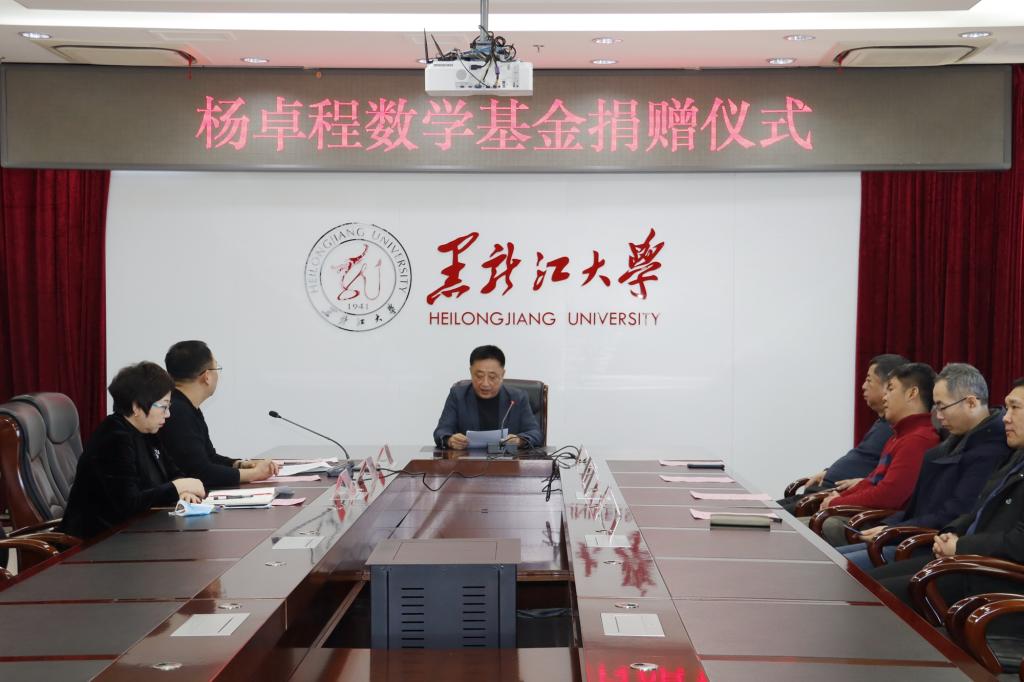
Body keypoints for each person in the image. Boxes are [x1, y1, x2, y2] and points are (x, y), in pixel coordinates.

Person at [869, 377, 1024, 609]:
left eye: (1015, 408)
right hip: (966, 561)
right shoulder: (1016, 457)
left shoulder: (996, 450)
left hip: (992, 579)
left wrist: (961, 546)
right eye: (1007, 407)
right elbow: (977, 511)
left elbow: (1019, 542)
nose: (1006, 417)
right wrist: (950, 533)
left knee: (877, 597)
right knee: (867, 583)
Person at [835, 364, 1009, 563]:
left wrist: (893, 530)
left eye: (942, 407)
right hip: (912, 535)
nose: (939, 416)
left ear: (970, 403)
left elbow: (952, 515)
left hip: (930, 546)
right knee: (834, 558)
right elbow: (917, 508)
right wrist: (889, 525)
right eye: (936, 407)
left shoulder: (991, 451)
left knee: (842, 565)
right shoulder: (953, 440)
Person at [60, 362, 206, 539]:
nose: (168, 414)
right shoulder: (113, 438)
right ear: (136, 407)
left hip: (135, 535)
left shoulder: (147, 432)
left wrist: (184, 491)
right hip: (98, 542)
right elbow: (128, 504)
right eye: (163, 406)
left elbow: (173, 473)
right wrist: (179, 487)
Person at [798, 362, 939, 532]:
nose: (884, 397)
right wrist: (838, 497)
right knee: (791, 525)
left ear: (912, 393)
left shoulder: (918, 440)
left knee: (798, 530)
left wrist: (837, 502)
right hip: (862, 514)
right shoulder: (899, 435)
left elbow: (889, 495)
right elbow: (871, 481)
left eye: (891, 389)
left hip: (879, 524)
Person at [779, 354, 908, 513]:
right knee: (762, 509)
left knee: (768, 517)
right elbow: (862, 459)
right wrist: (828, 472)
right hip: (822, 492)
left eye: (869, 380)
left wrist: (860, 483)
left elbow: (885, 482)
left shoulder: (898, 430)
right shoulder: (883, 423)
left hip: (832, 500)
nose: (863, 386)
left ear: (888, 386)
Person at [160, 340, 277, 489]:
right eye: (217, 368)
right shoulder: (177, 412)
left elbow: (209, 457)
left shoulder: (186, 406)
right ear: (207, 376)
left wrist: (240, 464)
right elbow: (201, 473)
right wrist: (254, 474)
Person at [433, 345, 542, 450]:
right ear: (471, 372)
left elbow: (535, 433)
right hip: (466, 460)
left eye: (492, 377)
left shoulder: (517, 398)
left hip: (507, 460)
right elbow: (441, 431)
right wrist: (450, 440)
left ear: (502, 374)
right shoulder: (458, 396)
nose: (485, 383)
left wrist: (519, 441)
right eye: (479, 376)